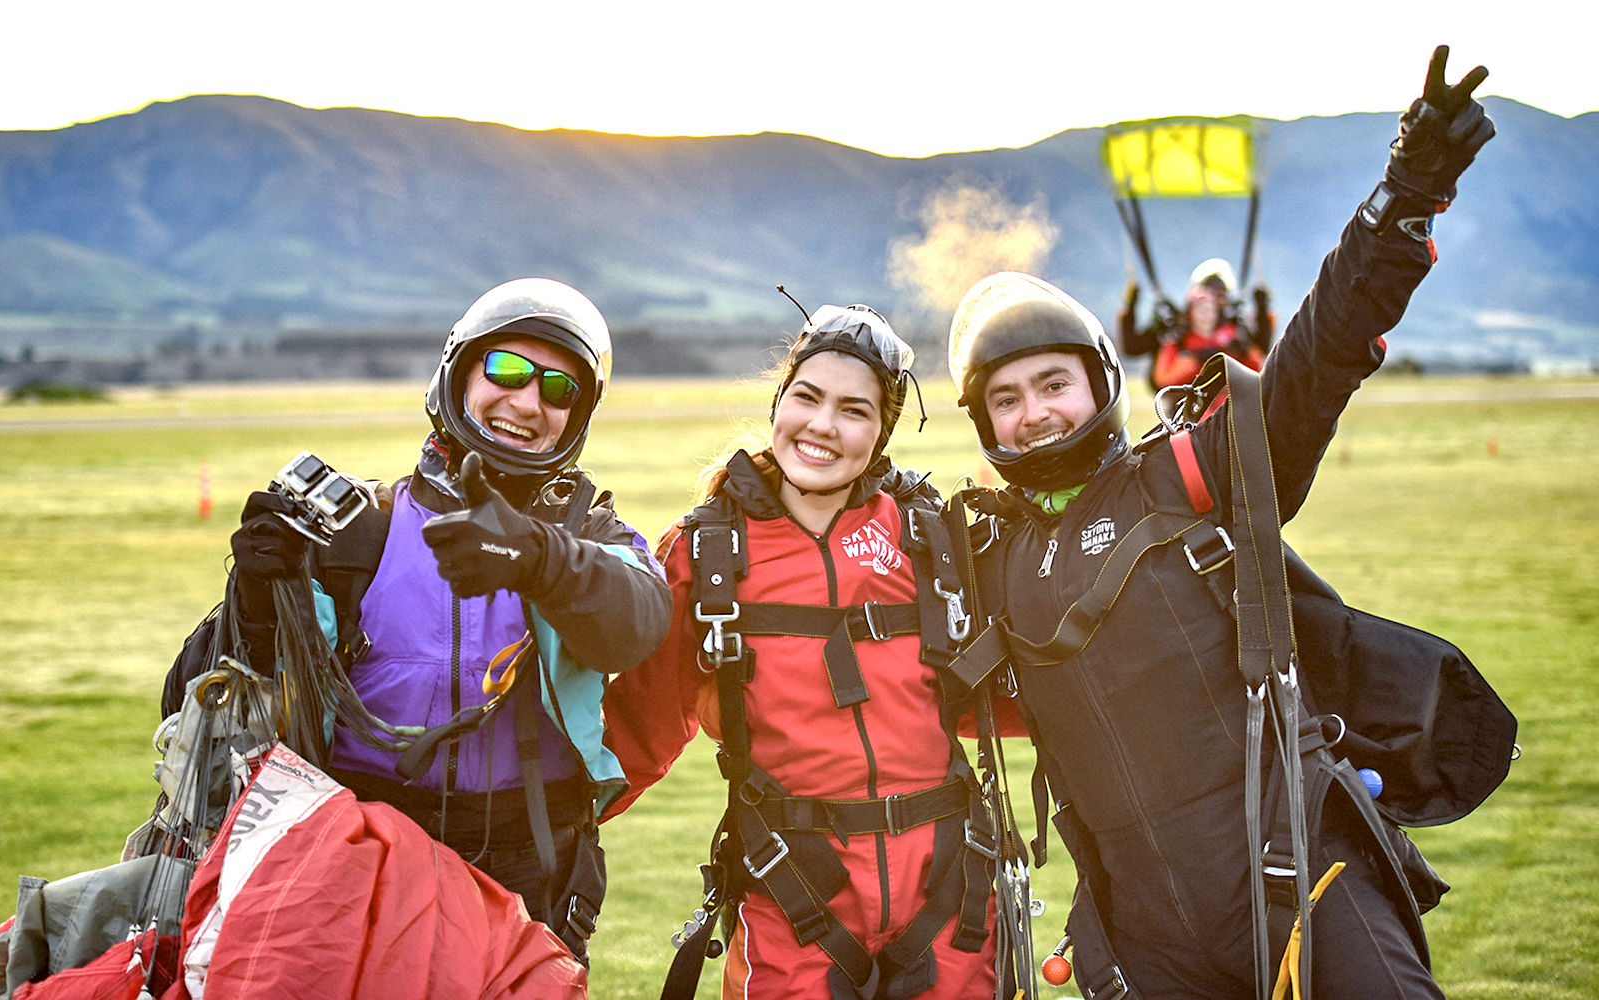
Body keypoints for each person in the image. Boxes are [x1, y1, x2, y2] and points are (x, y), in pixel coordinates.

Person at [943, 47, 1493, 1000]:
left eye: (1052, 384)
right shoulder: (986, 552)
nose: (1033, 412)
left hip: (1300, 871)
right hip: (1143, 929)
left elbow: (1316, 356)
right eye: (1007, 398)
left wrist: (1407, 193)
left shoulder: (1192, 474)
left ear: (1099, 386)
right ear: (983, 422)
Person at [164, 277, 672, 965]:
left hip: (531, 875)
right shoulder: (352, 535)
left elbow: (638, 624)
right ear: (458, 373)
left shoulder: (592, 540)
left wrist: (539, 559)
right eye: (509, 370)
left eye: (558, 389)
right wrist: (254, 604)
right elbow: (196, 708)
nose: (527, 401)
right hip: (353, 860)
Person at [602, 305, 1002, 1000]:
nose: (821, 426)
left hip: (948, 896)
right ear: (779, 401)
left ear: (881, 434)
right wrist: (519, 828)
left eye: (854, 410)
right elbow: (635, 729)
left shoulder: (929, 539)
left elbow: (1013, 698)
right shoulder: (706, 556)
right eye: (807, 398)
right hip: (796, 896)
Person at [1119, 258, 1274, 390]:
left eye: (1221, 294)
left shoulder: (1236, 330)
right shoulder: (1175, 332)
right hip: (1186, 411)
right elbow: (1133, 348)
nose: (1214, 300)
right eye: (1210, 292)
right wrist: (1129, 308)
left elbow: (1260, 354)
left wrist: (1263, 311)